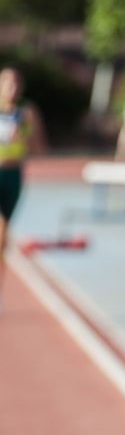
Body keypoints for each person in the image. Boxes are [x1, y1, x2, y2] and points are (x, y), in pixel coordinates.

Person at [0, 67, 47, 312]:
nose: (13, 88)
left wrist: (22, 139)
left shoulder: (27, 112)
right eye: (8, 83)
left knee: (2, 237)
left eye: (17, 83)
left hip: (12, 174)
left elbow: (40, 148)